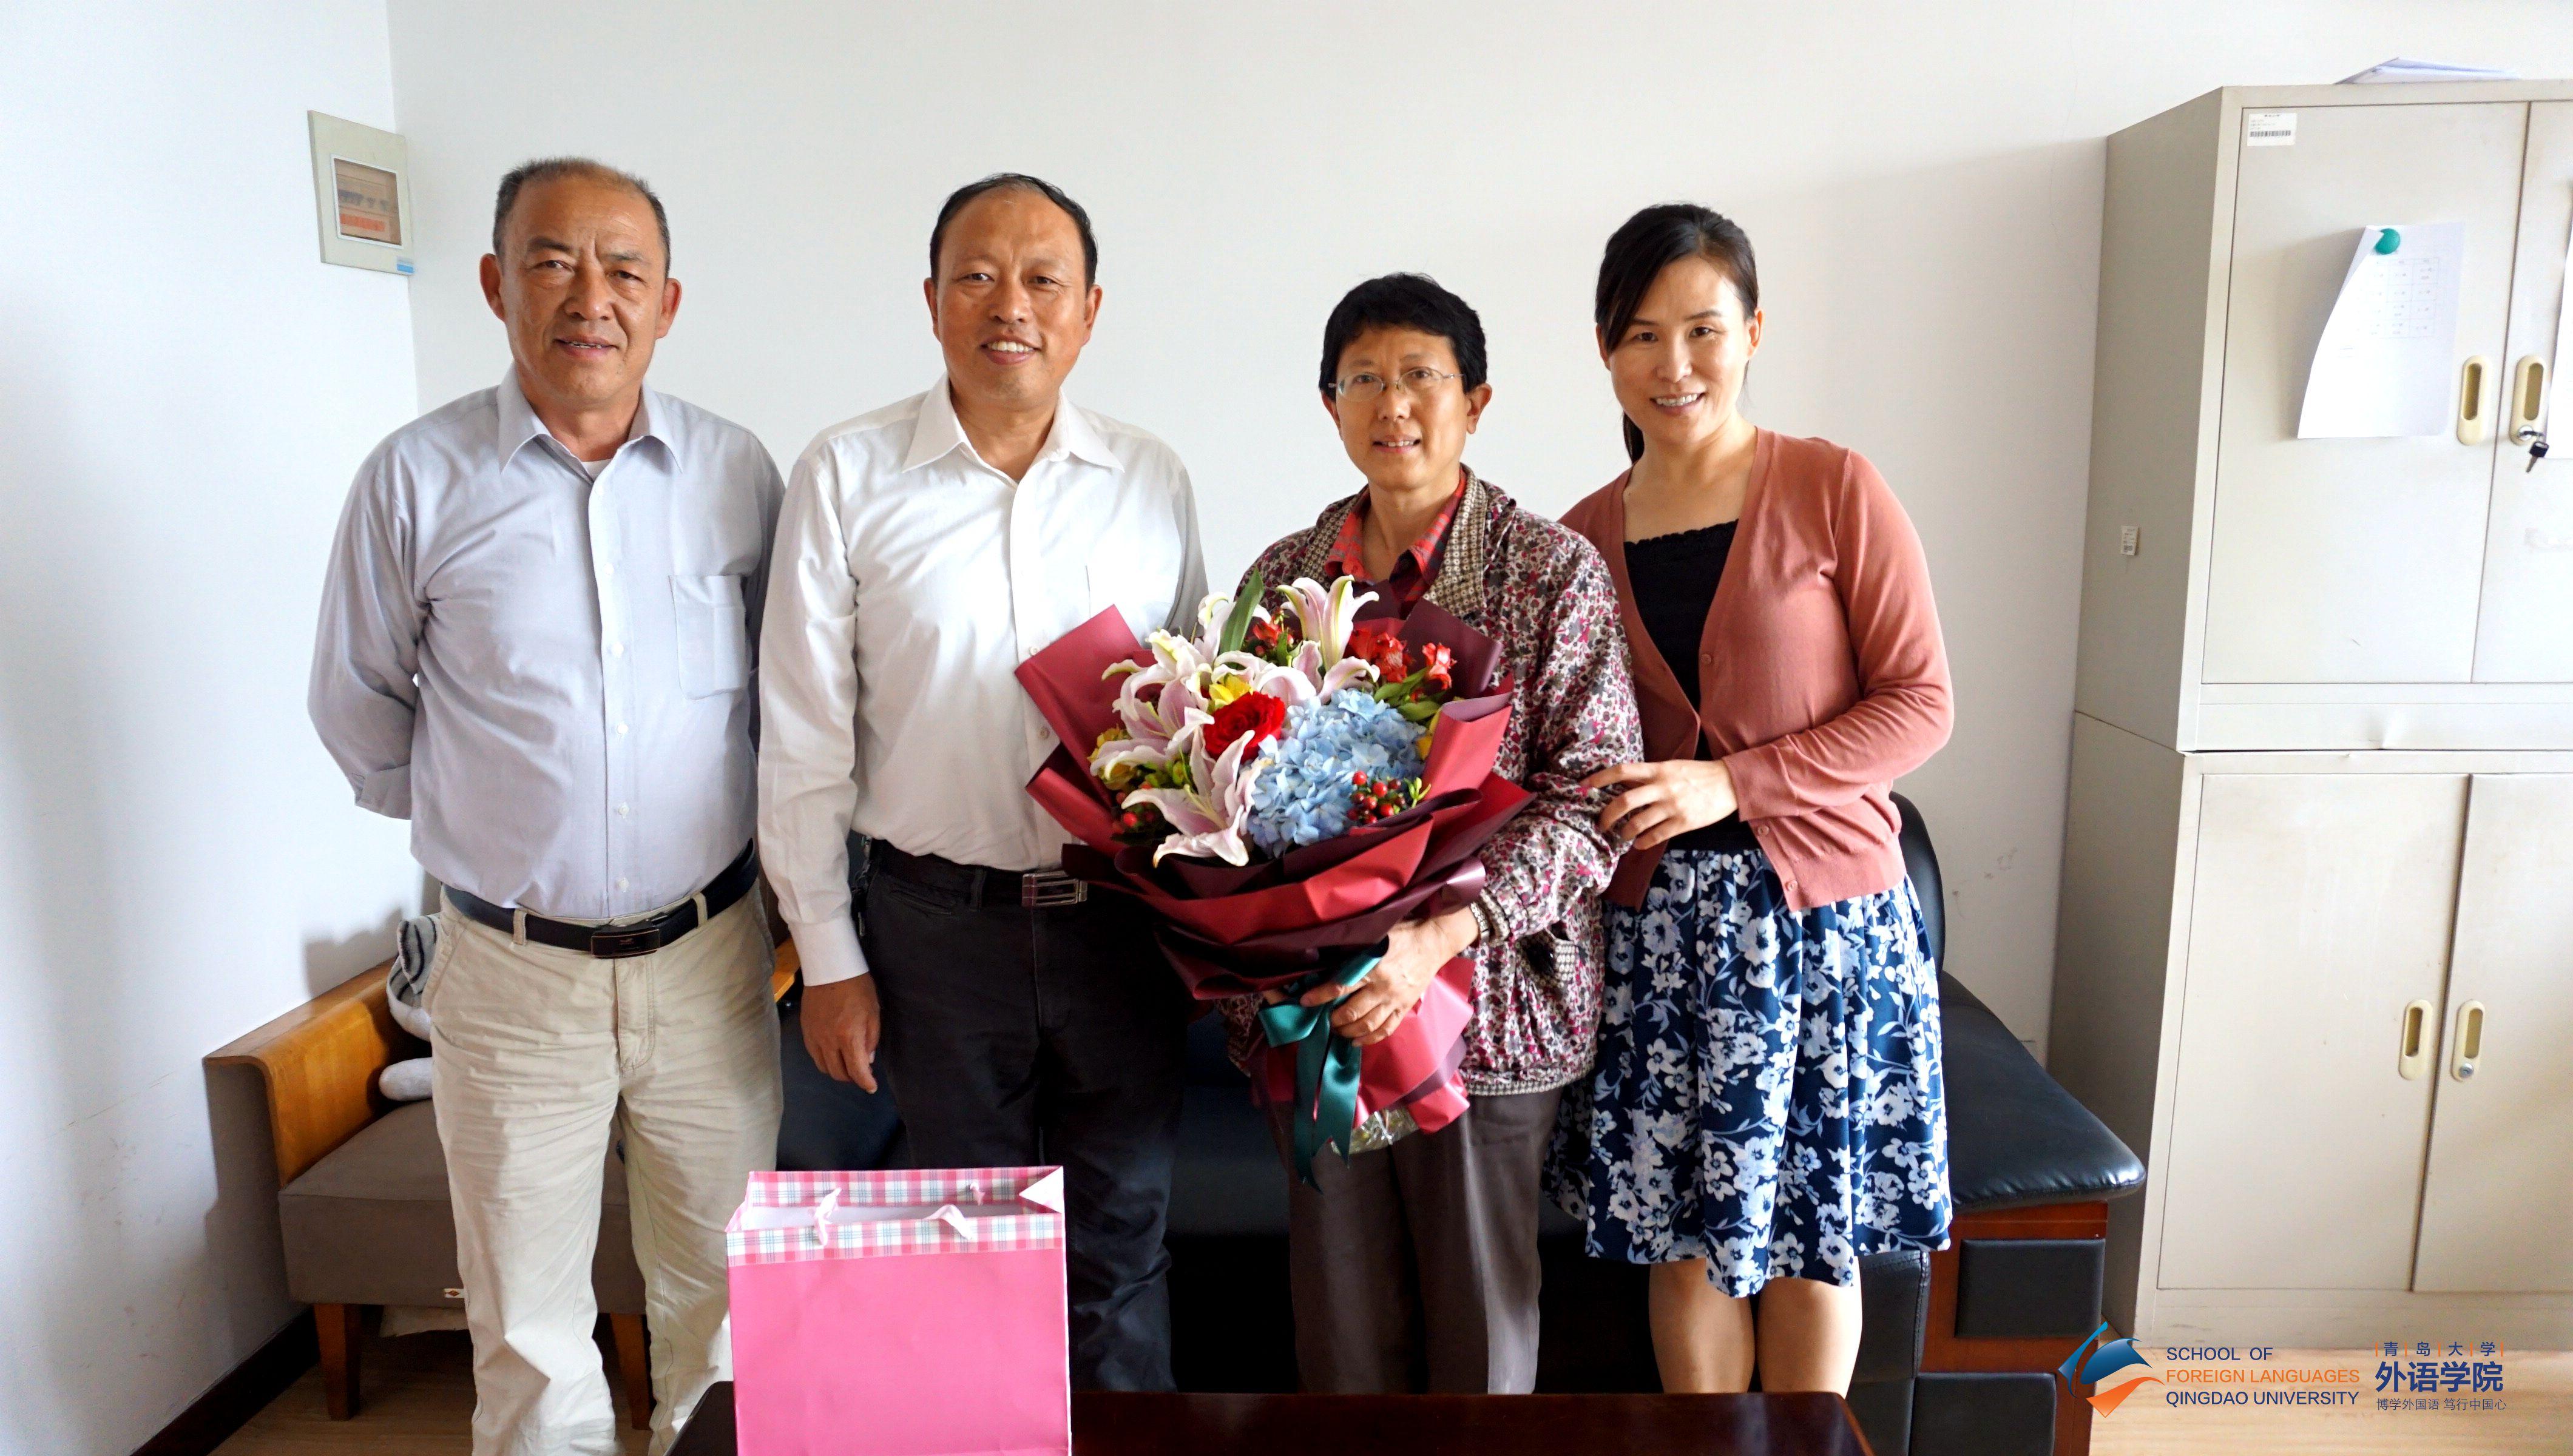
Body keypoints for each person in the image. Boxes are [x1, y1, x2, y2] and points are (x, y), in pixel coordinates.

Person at [309, 158, 783, 1455]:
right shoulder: (414, 479)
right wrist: (501, 823)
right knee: (524, 1330)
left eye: (624, 270)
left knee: (729, 1312)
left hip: (708, 958)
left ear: (667, 302)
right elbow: (357, 704)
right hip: (512, 974)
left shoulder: (736, 472)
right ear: (494, 283)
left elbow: (782, 703)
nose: (591, 298)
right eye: (552, 262)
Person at [758, 173, 1206, 1390]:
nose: (1010, 304)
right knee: (962, 1252)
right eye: (977, 276)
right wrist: (829, 960)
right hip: (934, 934)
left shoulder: (1151, 479)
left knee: (1121, 1250)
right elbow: (801, 740)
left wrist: (1213, 933)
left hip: (1118, 932)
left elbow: (1194, 727)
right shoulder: (846, 475)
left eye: (1043, 279)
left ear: (1089, 310)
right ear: (931, 300)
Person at [1557, 204, 1954, 1397]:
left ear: (1753, 333)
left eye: (1702, 330)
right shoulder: (1579, 541)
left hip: (1822, 932)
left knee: (1808, 1238)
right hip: (1656, 943)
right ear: (1605, 349)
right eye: (1640, 335)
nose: (1672, 364)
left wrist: (1731, 782)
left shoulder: (1832, 487)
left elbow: (1920, 705)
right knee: (1682, 1246)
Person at [1224, 274, 1641, 1392]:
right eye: (1363, 379)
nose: (1392, 403)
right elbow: (1223, 792)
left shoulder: (1547, 572)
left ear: (1476, 401)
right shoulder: (1282, 581)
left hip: (1485, 1015)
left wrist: (1439, 938)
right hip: (1321, 1016)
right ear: (1330, 405)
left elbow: (1591, 798)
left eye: (1421, 376)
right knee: (1343, 1341)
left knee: (1478, 1348)